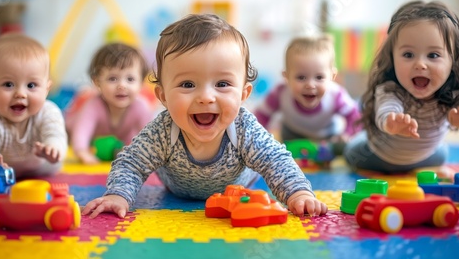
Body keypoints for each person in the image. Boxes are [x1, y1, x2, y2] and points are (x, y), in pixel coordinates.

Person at [82, 14, 328, 219]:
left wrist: (298, 194)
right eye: (188, 84)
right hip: (177, 194)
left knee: (270, 160)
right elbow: (131, 164)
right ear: (163, 96)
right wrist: (118, 195)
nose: (206, 97)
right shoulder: (162, 130)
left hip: (239, 187)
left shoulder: (243, 127)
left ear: (243, 94)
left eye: (222, 83)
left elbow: (276, 161)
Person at [343, 0, 459, 178]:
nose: (420, 64)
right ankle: (340, 143)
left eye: (433, 55)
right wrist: (391, 123)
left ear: (453, 60)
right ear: (392, 58)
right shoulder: (391, 90)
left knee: (443, 151)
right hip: (378, 158)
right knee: (352, 151)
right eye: (408, 55)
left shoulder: (454, 93)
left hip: (428, 158)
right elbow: (387, 109)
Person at [0, 33, 67, 178]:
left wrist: (53, 147)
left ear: (46, 89)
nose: (20, 94)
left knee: (54, 164)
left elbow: (56, 134)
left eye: (31, 85)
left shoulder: (49, 112)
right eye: (8, 84)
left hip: (33, 165)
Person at [254, 34, 361, 153]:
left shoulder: (336, 95)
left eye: (319, 77)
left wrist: (347, 134)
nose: (310, 85)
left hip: (328, 137)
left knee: (344, 147)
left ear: (332, 77)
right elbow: (261, 115)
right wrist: (261, 136)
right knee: (273, 149)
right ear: (287, 77)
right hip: (293, 137)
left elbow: (355, 116)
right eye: (301, 77)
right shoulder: (280, 93)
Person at [65, 43, 153, 164]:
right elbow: (81, 133)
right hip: (71, 131)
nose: (122, 85)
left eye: (130, 79)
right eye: (112, 79)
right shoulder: (93, 105)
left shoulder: (141, 107)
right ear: (97, 82)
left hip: (113, 142)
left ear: (141, 83)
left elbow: (150, 138)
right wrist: (82, 151)